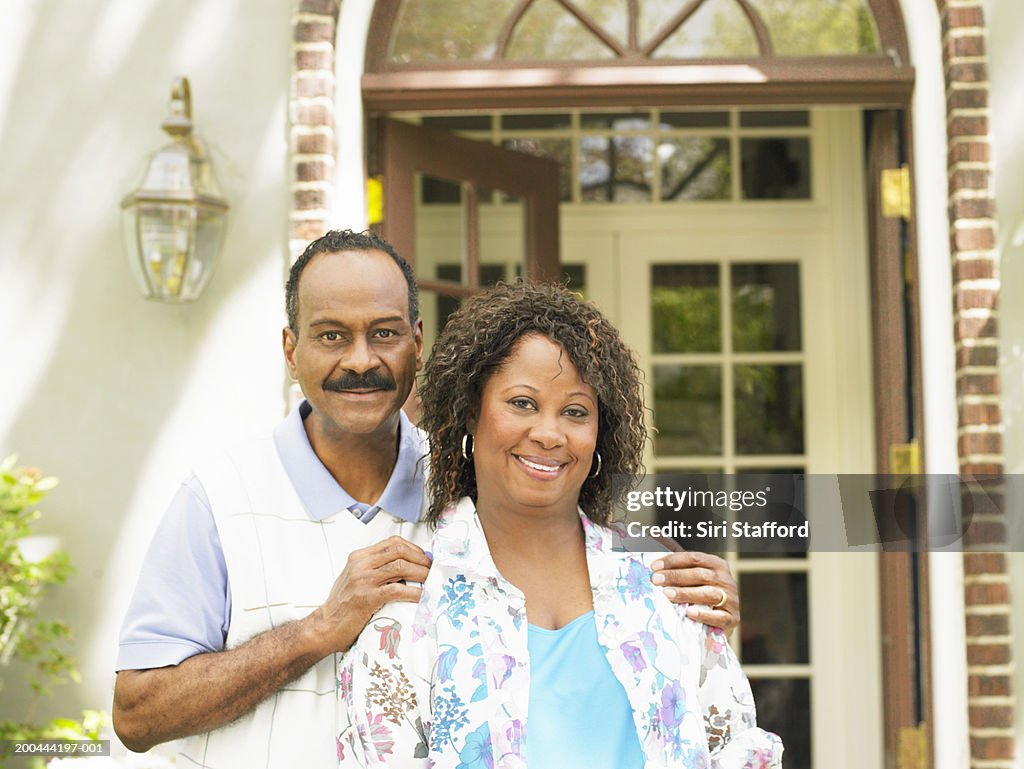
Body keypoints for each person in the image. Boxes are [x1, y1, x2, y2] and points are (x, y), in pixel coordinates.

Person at [112, 230, 742, 769]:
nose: (361, 360)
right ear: (290, 349)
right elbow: (136, 716)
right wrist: (318, 632)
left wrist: (683, 605)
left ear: (417, 342)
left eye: (383, 334)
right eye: (331, 336)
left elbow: (574, 545)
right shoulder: (220, 499)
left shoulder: (477, 483)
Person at [335, 281, 782, 768]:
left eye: (575, 411)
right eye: (522, 403)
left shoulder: (660, 584)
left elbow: (736, 747)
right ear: (470, 413)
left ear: (599, 434)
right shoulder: (413, 597)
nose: (549, 434)